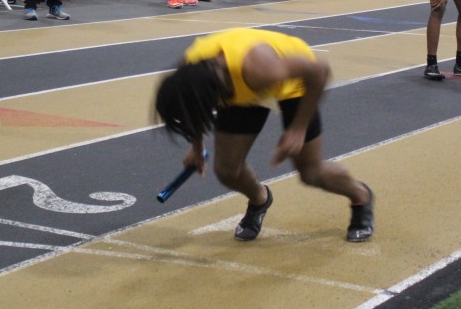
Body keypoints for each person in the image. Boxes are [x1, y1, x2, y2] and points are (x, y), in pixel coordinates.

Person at [155, 27, 374, 242]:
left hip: (295, 80)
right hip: (236, 84)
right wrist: (196, 148)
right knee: (227, 171)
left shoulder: (261, 68)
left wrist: (298, 129)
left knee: (311, 172)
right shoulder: (190, 69)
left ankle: (360, 197)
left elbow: (319, 71)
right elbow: (192, 110)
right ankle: (260, 199)